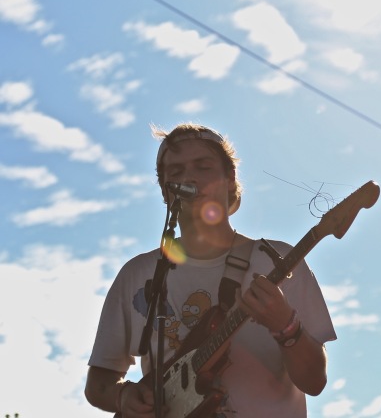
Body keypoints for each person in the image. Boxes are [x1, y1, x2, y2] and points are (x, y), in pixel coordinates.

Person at [85, 123, 336, 417]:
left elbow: (314, 381)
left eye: (202, 167)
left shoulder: (277, 259)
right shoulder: (138, 274)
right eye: (175, 173)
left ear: (229, 179)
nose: (188, 177)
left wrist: (286, 325)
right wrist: (123, 395)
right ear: (166, 192)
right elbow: (98, 383)